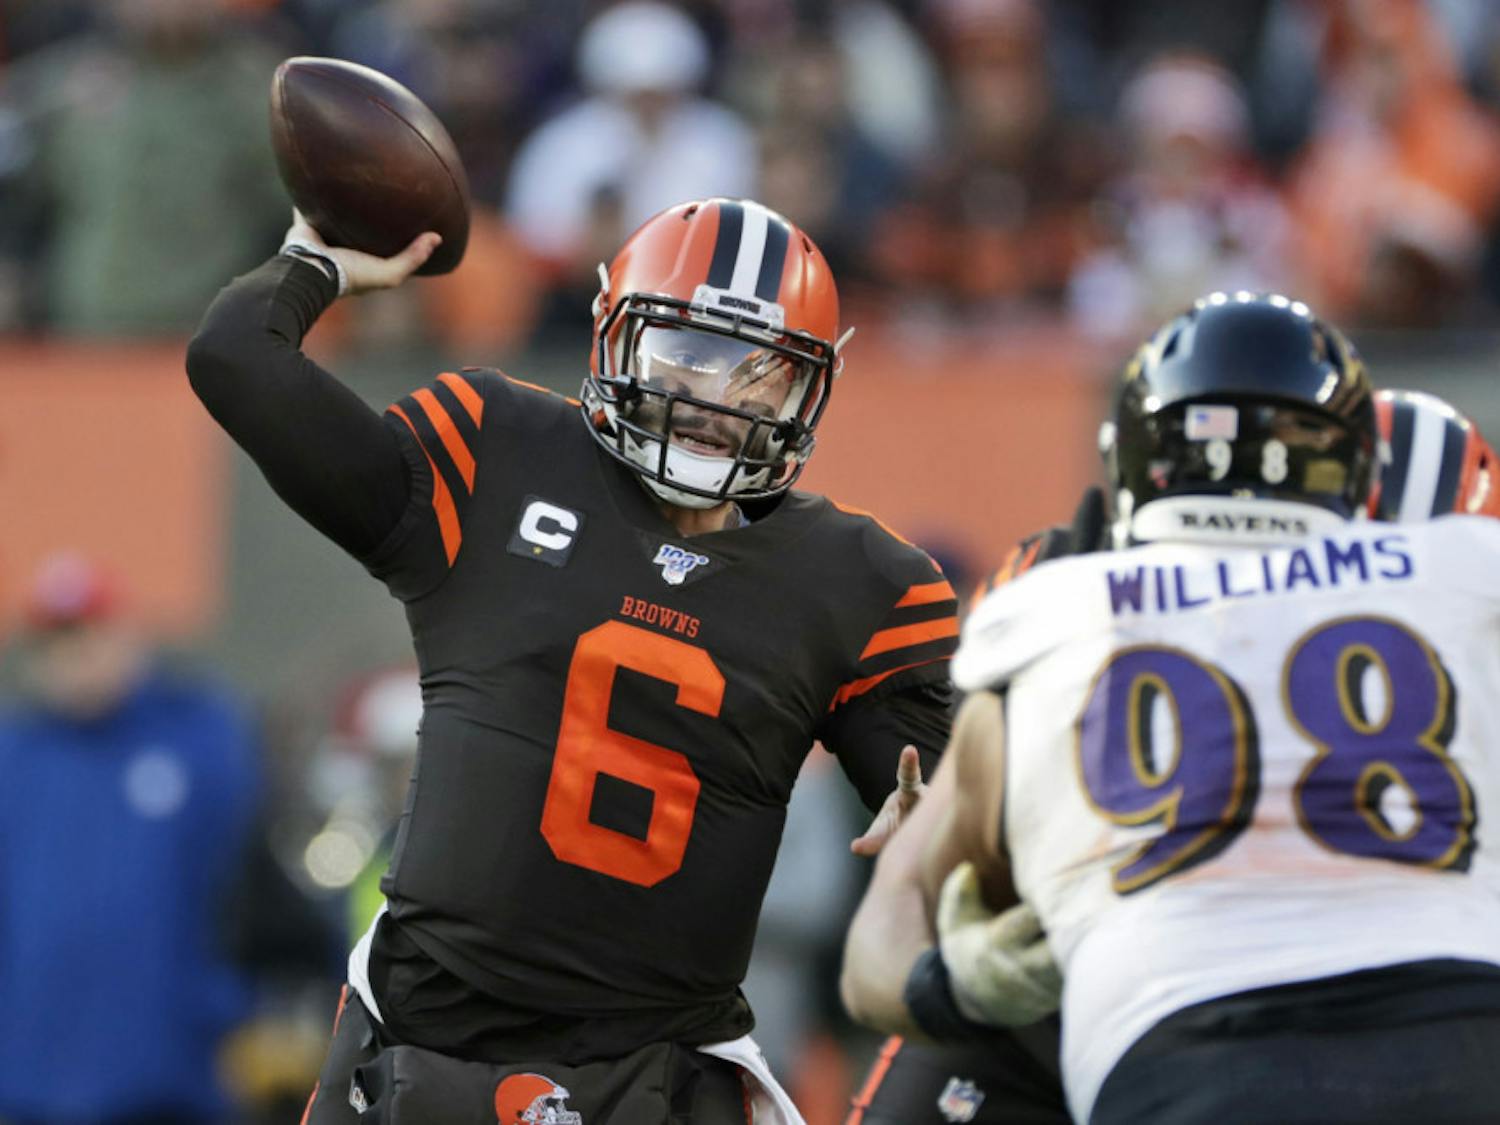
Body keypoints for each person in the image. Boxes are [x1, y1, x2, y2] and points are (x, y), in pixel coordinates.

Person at [186, 195, 957, 1124]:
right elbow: (236, 359)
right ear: (612, 332)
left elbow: (949, 800)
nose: (717, 402)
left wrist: (950, 814)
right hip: (428, 1035)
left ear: (811, 391)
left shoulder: (860, 582)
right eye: (689, 355)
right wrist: (317, 260)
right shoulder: (495, 449)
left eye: (764, 377)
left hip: (661, 1071)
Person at [841, 292, 1500, 1123]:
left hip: (1176, 1029)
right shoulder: (1078, 579)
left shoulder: (1064, 597)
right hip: (1080, 983)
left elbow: (898, 912)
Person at [0, 552, 262, 1123]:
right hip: (28, 1074)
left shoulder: (197, 739)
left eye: (88, 633)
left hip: (169, 1072)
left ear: (128, 633)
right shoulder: (14, 758)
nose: (73, 656)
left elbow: (247, 887)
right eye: (55, 641)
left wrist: (228, 1008)